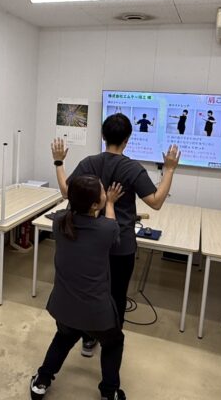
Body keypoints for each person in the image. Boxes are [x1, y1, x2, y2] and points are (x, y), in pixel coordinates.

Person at [51, 113, 179, 357]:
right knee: (117, 295)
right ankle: (112, 343)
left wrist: (58, 162)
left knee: (90, 292)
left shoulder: (89, 163)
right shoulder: (132, 168)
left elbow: (66, 192)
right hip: (121, 245)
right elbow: (156, 201)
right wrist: (170, 169)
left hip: (90, 243)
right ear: (127, 139)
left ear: (103, 136)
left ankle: (88, 340)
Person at [30, 176, 126, 400]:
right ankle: (109, 392)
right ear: (95, 204)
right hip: (96, 312)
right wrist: (111, 203)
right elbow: (112, 231)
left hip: (64, 306)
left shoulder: (59, 221)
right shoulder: (106, 229)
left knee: (64, 337)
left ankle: (41, 382)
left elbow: (75, 214)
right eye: (102, 192)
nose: (105, 193)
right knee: (114, 343)